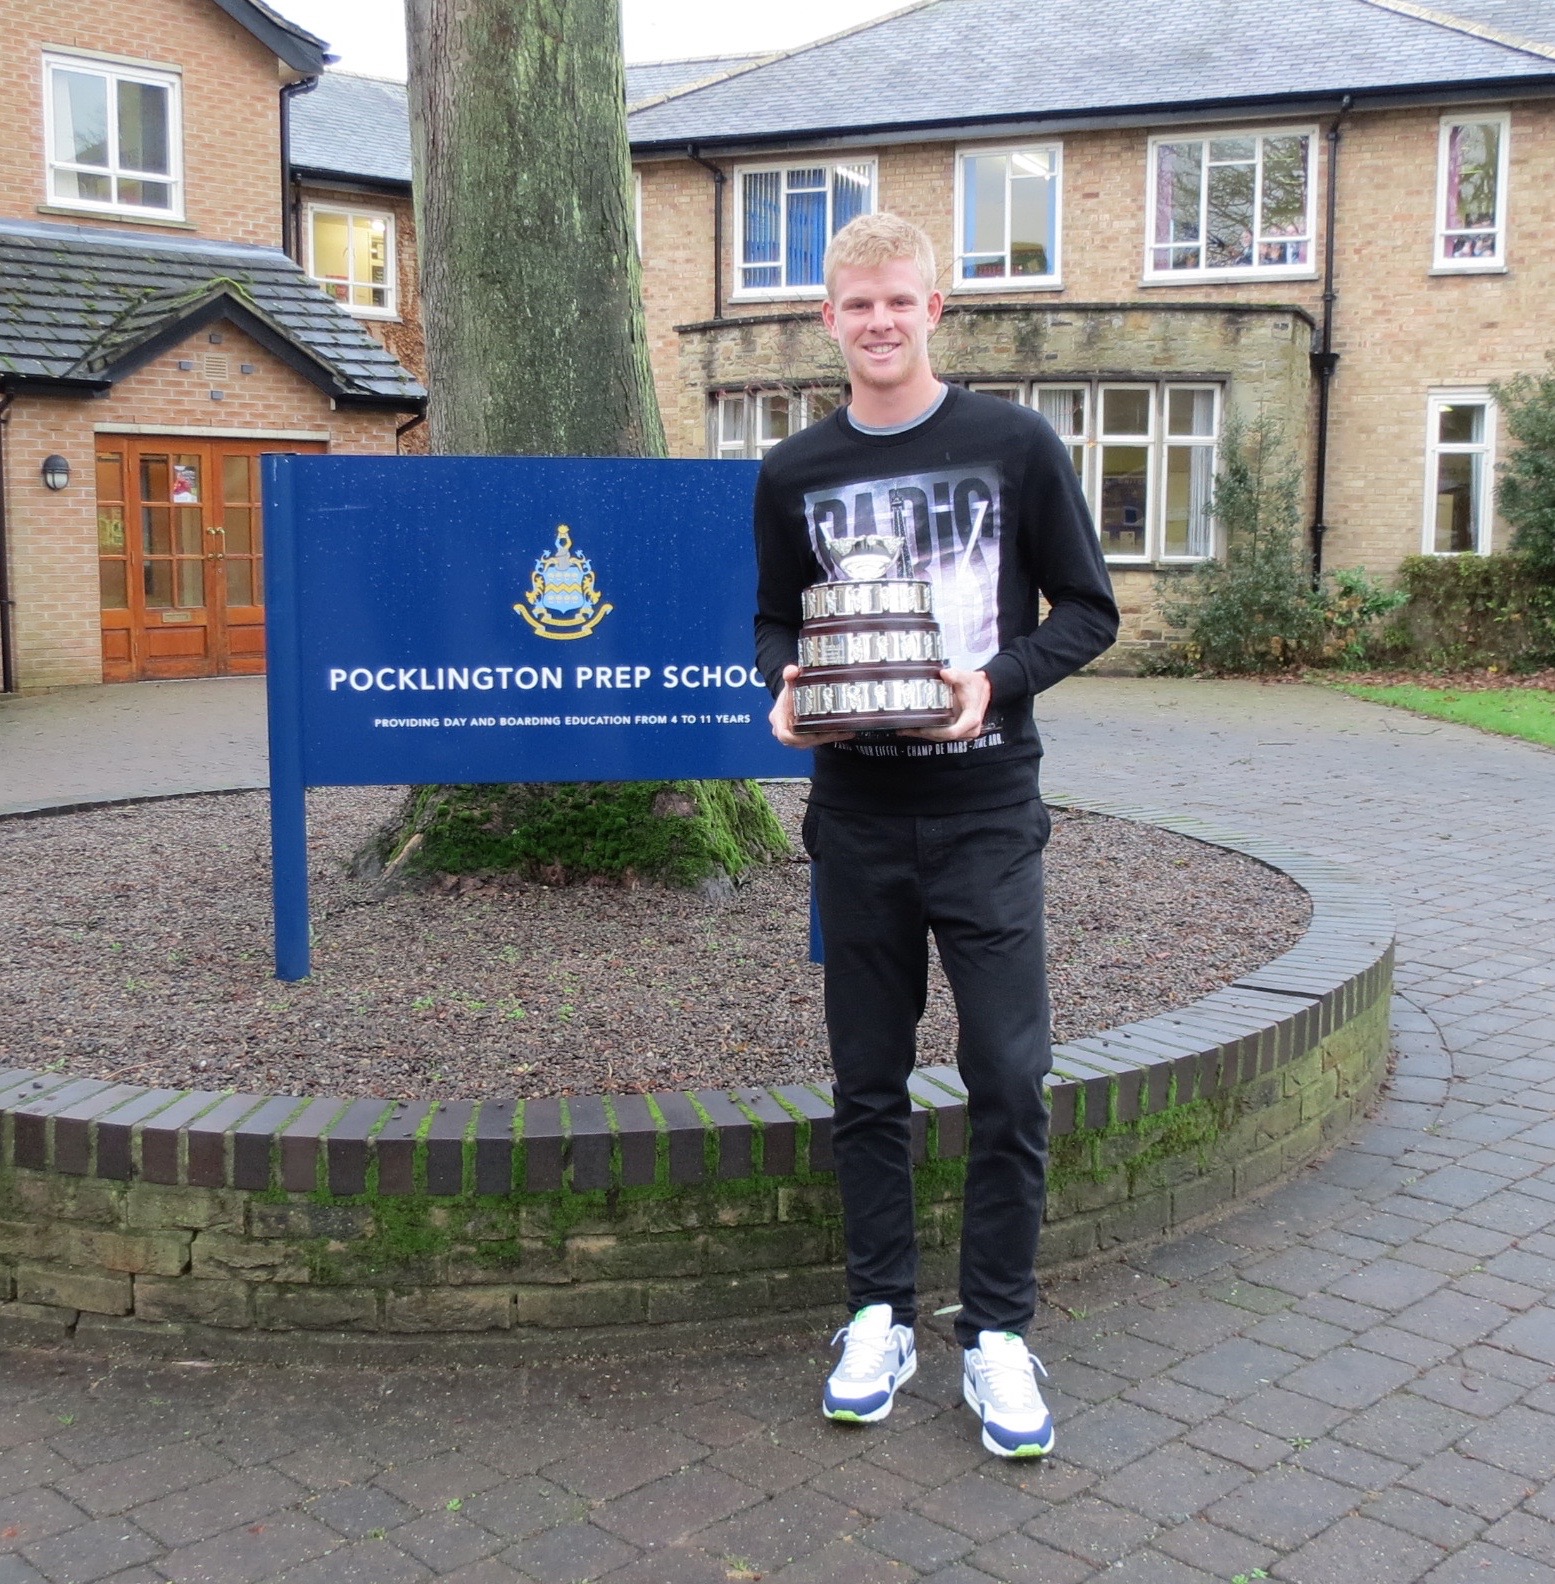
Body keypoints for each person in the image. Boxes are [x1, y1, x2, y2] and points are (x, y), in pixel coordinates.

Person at [753, 213, 1118, 1458]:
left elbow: (1087, 609)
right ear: (828, 319)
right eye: (856, 305)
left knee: (1009, 1076)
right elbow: (770, 622)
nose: (878, 323)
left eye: (898, 302)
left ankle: (1000, 1333)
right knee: (866, 1082)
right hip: (855, 819)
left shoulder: (1012, 443)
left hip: (983, 814)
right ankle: (878, 1313)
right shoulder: (793, 468)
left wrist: (994, 681)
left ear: (933, 310)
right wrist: (785, 691)